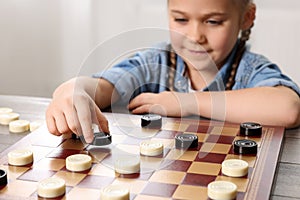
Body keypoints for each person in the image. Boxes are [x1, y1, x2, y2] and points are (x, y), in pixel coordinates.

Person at [46, 0, 300, 143]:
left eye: (213, 21)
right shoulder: (155, 62)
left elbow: (288, 108)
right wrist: (72, 90)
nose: (194, 36)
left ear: (246, 17)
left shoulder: (249, 69)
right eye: (180, 20)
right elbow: (101, 87)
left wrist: (184, 102)